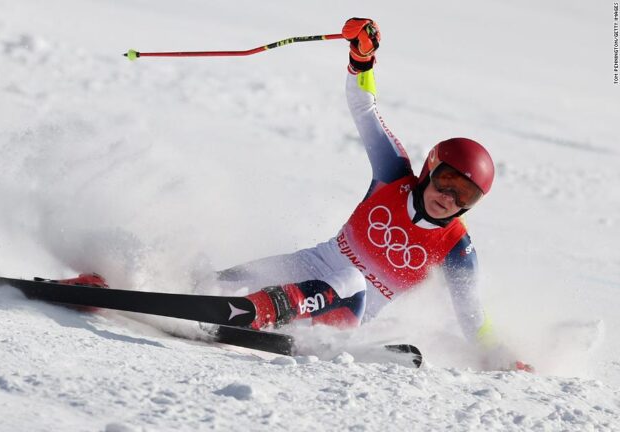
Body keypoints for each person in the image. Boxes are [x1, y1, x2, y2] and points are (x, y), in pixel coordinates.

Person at [209, 18, 530, 370]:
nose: (449, 198)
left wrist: (504, 359)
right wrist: (362, 60)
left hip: (341, 315)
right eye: (446, 182)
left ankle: (257, 312)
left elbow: (473, 318)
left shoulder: (456, 249)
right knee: (217, 284)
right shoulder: (393, 176)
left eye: (464, 196)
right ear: (430, 168)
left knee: (352, 280)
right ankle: (219, 302)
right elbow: (365, 110)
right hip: (307, 267)